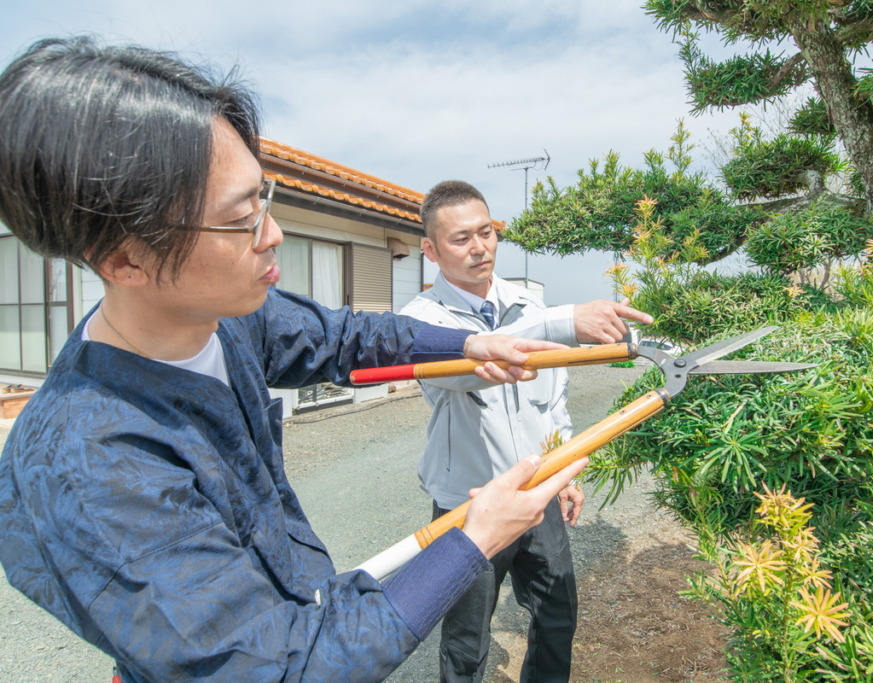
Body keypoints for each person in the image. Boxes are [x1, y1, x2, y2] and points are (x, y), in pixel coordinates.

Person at [0, 37, 588, 682]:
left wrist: (467, 344)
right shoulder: (91, 461)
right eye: (238, 220)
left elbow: (343, 337)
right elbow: (280, 666)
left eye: (263, 198)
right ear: (124, 260)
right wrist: (474, 539)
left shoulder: (226, 317)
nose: (272, 232)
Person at [401, 180, 652, 682]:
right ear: (429, 250)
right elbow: (465, 364)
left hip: (538, 491)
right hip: (468, 503)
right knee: (467, 641)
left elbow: (553, 397)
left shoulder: (528, 307)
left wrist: (564, 471)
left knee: (558, 616)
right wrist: (560, 324)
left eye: (487, 233)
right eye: (460, 239)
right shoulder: (420, 318)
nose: (479, 248)